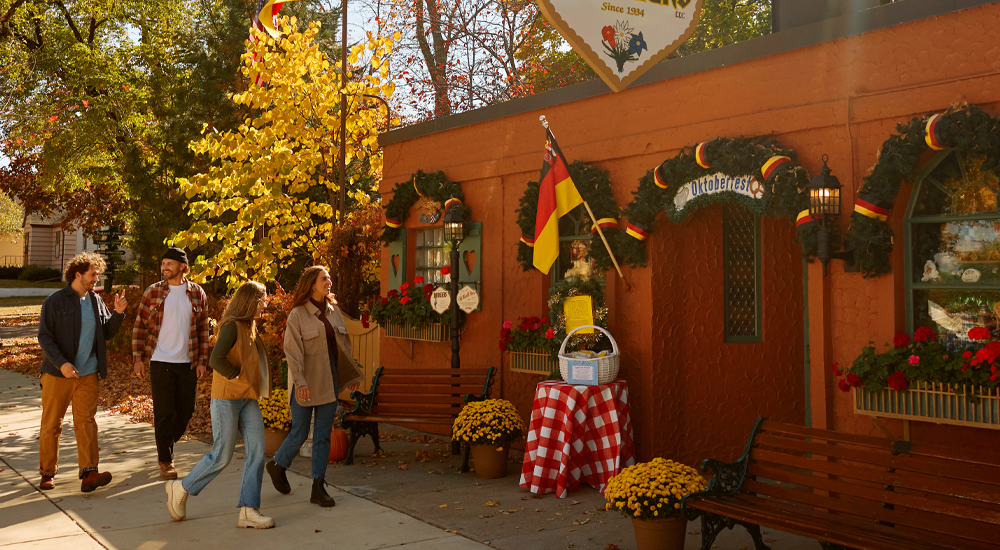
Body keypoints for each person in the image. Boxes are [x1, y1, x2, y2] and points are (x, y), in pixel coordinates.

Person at [164, 281, 275, 528]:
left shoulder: (250, 327)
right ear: (250, 300)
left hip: (248, 399)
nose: (265, 303)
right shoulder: (232, 327)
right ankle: (181, 488)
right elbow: (216, 359)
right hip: (227, 399)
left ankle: (249, 510)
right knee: (221, 456)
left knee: (257, 452)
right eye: (263, 299)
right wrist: (236, 375)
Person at [266, 266, 363, 507]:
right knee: (299, 432)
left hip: (329, 379)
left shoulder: (334, 312)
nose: (328, 282)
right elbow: (292, 351)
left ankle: (318, 486)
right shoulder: (297, 314)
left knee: (322, 436)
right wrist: (300, 382)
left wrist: (351, 376)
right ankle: (278, 465)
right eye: (324, 278)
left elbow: (344, 348)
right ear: (312, 284)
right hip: (305, 380)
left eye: (329, 278)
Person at [37, 252, 128, 492]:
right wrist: (61, 364)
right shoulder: (55, 302)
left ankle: (89, 472)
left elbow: (106, 333)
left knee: (86, 421)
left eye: (97, 274)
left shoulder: (96, 301)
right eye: (93, 274)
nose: (96, 278)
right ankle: (47, 472)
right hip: (59, 374)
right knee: (51, 423)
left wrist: (118, 313)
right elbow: (45, 338)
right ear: (78, 275)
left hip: (88, 373)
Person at [132, 247, 210, 480]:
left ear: (182, 267)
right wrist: (138, 359)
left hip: (187, 362)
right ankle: (165, 460)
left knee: (187, 411)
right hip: (160, 360)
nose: (164, 267)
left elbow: (204, 329)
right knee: (164, 413)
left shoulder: (197, 293)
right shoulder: (153, 292)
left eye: (169, 264)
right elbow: (140, 326)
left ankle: (165, 443)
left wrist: (202, 361)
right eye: (163, 263)